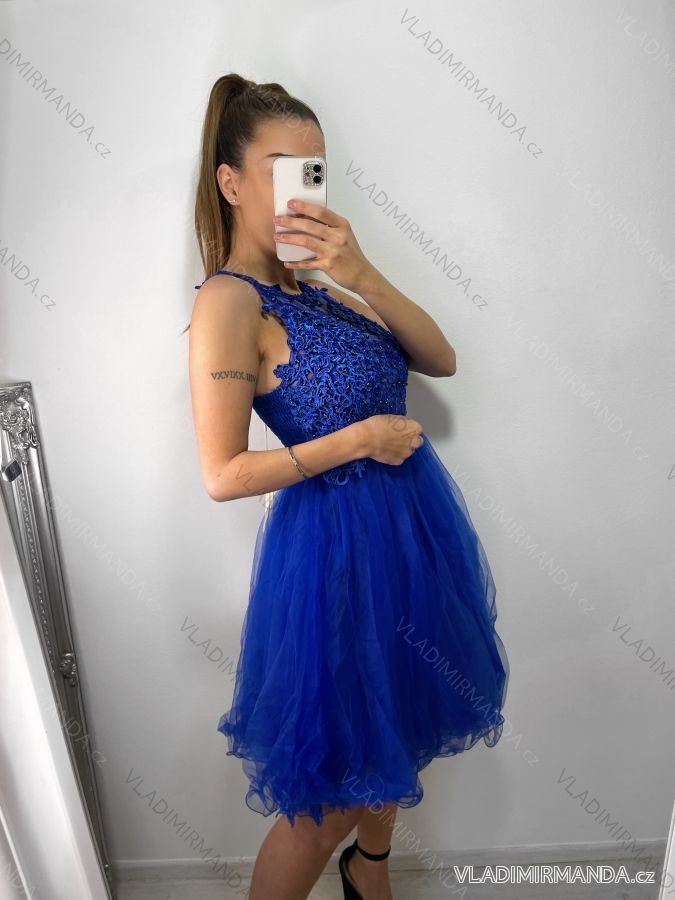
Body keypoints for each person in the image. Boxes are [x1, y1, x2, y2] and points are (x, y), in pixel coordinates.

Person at [188, 72, 509, 900]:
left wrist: (361, 270)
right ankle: (348, 859)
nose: (302, 191)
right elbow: (222, 474)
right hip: (333, 555)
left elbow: (439, 357)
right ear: (230, 183)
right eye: (280, 171)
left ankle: (369, 870)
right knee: (328, 791)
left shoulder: (323, 288)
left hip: (408, 536)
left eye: (313, 172)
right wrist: (362, 438)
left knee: (393, 729)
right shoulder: (228, 303)